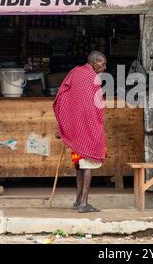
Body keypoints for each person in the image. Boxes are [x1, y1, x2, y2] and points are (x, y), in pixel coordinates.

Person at [53, 51, 107, 213]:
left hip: (75, 129)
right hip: (87, 129)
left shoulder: (75, 72)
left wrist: (64, 123)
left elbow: (62, 97)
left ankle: (77, 200)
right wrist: (96, 126)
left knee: (79, 165)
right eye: (102, 64)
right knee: (88, 164)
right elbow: (96, 105)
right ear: (94, 63)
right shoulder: (94, 78)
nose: (104, 67)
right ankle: (84, 203)